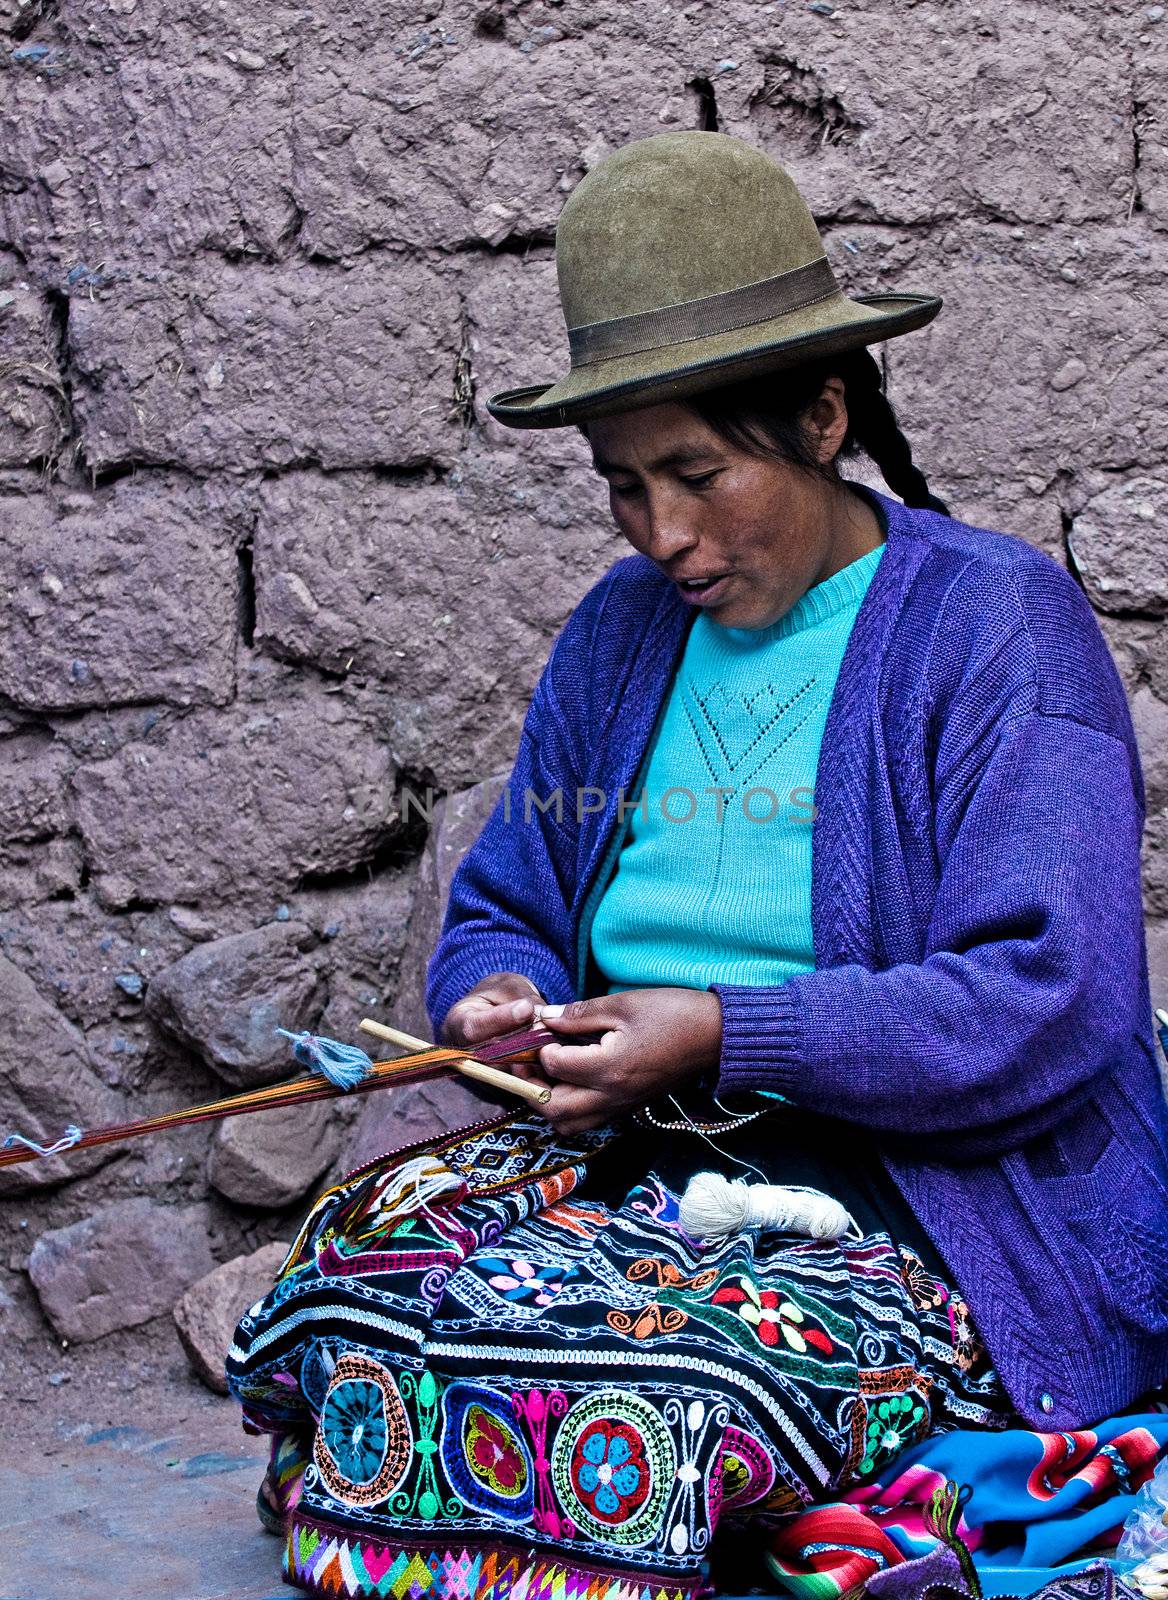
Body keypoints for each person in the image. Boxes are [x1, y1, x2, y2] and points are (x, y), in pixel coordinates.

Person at [228, 132, 1168, 1600]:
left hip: (921, 1193)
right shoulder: (620, 637)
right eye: (622, 485)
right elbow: (506, 901)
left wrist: (728, 1031)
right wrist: (500, 998)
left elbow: (1051, 1001)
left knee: (622, 1393)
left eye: (698, 473)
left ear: (820, 414)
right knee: (351, 1289)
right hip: (651, 1168)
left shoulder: (997, 630)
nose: (663, 534)